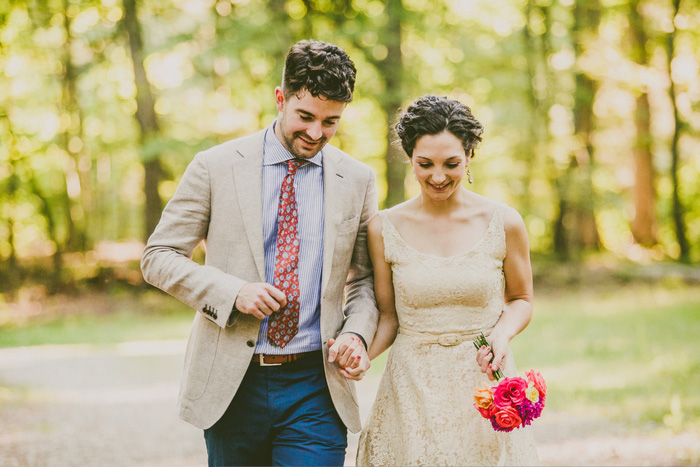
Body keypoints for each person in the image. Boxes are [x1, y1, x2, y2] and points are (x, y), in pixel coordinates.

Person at [141, 40, 378, 466]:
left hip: (316, 385)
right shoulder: (214, 167)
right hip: (233, 383)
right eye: (305, 117)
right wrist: (233, 293)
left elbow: (363, 280)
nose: (316, 133)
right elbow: (158, 256)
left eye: (331, 122)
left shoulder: (357, 179)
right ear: (280, 98)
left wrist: (356, 334)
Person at [356, 95, 539, 466]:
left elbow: (521, 299)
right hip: (411, 387)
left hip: (483, 381)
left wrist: (501, 336)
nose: (438, 177)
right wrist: (361, 355)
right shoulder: (383, 228)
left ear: (469, 157)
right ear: (410, 159)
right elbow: (389, 318)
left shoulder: (504, 222)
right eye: (425, 164)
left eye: (451, 164)